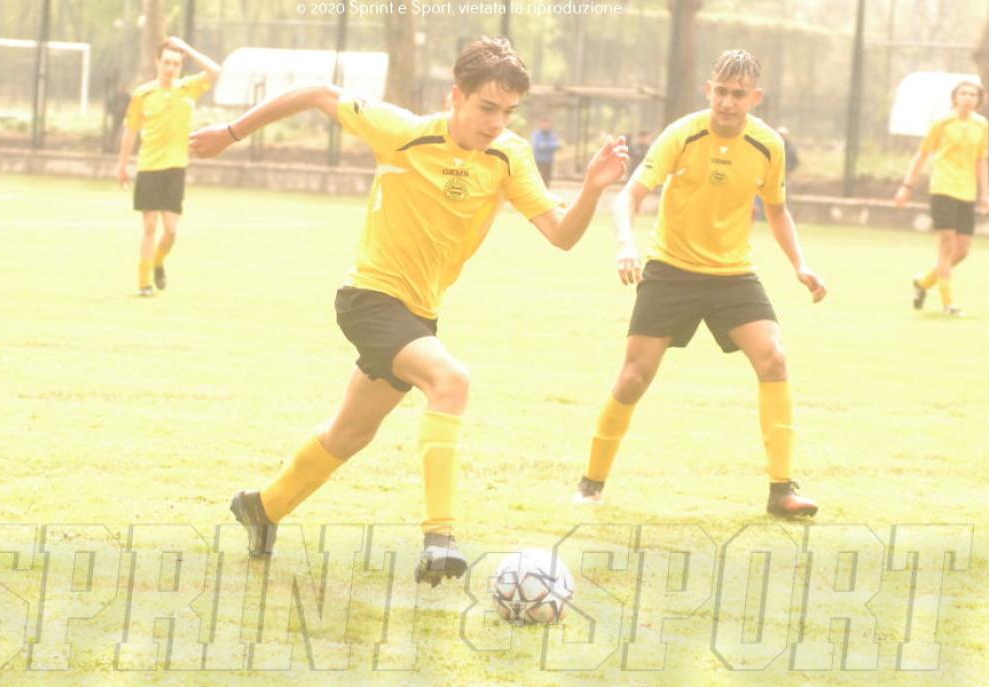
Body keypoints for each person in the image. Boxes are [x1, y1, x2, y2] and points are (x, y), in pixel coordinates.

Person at [189, 37, 628, 585]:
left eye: (508, 111)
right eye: (487, 107)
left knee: (350, 434)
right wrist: (231, 133)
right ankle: (439, 538)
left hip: (419, 314)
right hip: (370, 298)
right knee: (451, 380)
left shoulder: (508, 156)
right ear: (455, 96)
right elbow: (316, 92)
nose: (497, 122)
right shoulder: (402, 131)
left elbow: (562, 235)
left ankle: (262, 507)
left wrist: (592, 189)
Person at [572, 50, 827, 518]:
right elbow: (629, 196)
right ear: (708, 90)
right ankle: (591, 483)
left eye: (738, 94)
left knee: (774, 358)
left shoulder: (769, 145)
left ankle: (782, 490)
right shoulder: (682, 134)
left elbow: (777, 210)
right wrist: (626, 243)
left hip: (733, 275)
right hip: (671, 270)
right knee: (633, 378)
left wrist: (801, 265)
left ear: (755, 97)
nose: (727, 103)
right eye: (721, 92)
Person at [117, 37, 221, 297]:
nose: (171, 68)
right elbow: (130, 130)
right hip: (149, 167)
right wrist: (122, 164)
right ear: (157, 63)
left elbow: (215, 71)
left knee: (171, 232)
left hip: (175, 168)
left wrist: (188, 50)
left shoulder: (187, 88)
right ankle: (144, 284)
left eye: (176, 63)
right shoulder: (143, 94)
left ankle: (158, 261)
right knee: (150, 226)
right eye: (167, 62)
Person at [894, 80, 989, 316]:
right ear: (955, 98)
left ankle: (923, 283)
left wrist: (985, 193)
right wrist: (907, 186)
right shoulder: (942, 123)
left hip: (967, 192)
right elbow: (922, 154)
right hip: (943, 189)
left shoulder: (982, 126)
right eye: (963, 93)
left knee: (963, 250)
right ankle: (948, 304)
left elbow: (982, 160)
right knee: (946, 245)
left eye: (973, 94)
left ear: (979, 100)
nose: (968, 98)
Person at [531, 117, 562, 187]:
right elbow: (536, 146)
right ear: (540, 125)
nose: (545, 126)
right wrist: (549, 146)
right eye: (543, 124)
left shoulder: (552, 134)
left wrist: (545, 145)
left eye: (546, 124)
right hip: (538, 160)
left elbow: (557, 145)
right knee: (537, 178)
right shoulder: (536, 134)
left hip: (548, 161)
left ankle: (546, 191)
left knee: (547, 178)